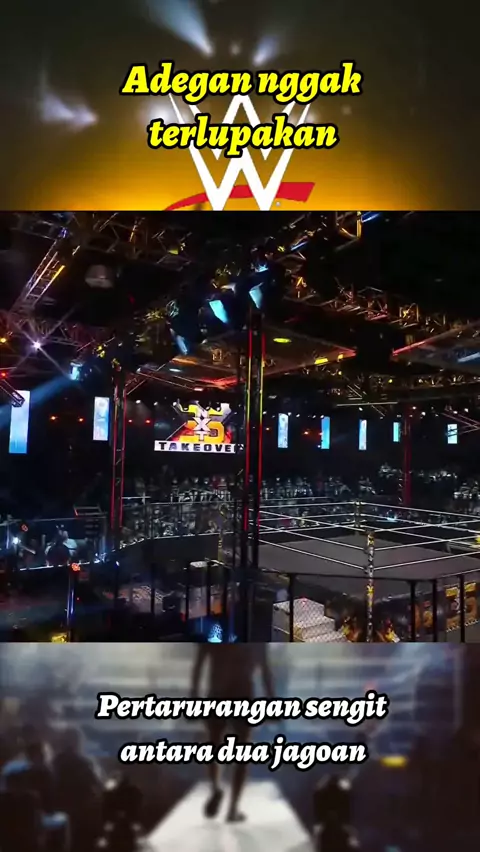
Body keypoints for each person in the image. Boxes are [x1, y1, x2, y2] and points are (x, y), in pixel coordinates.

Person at [190, 644, 274, 823]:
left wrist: (194, 693)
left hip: (217, 691)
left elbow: (199, 662)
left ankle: (215, 788)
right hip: (242, 693)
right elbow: (264, 667)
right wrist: (271, 697)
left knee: (213, 745)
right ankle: (232, 809)